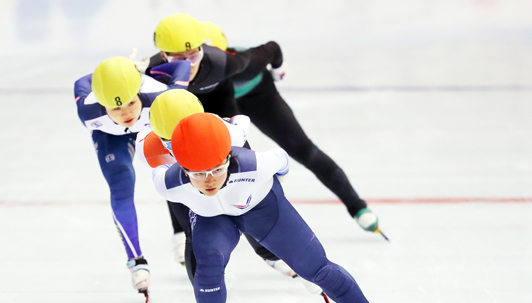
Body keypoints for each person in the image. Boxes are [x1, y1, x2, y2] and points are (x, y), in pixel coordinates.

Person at [151, 113, 433, 303]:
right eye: (198, 174)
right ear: (183, 169)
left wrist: (273, 189)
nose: (209, 180)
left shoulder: (255, 164)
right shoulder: (167, 183)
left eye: (216, 170)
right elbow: (153, 156)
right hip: (213, 220)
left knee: (316, 269)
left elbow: (282, 161)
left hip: (263, 210)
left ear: (228, 158)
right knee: (208, 269)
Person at [146, 14, 384, 238]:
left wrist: (279, 70)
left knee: (301, 148)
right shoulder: (167, 70)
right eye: (179, 58)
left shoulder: (235, 63)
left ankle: (357, 206)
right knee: (190, 158)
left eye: (195, 57)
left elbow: (273, 49)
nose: (189, 66)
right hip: (216, 102)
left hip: (258, 94)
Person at [135, 89, 323, 303]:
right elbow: (169, 184)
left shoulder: (228, 133)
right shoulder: (147, 146)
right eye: (169, 143)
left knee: (249, 209)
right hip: (190, 183)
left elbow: (245, 132)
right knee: (194, 235)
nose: (180, 148)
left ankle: (272, 253)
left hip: (225, 170)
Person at [73, 56, 190, 303]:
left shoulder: (161, 97)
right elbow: (81, 81)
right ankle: (136, 261)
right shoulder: (89, 111)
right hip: (110, 135)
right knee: (121, 183)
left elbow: (182, 66)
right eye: (116, 108)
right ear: (103, 105)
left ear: (138, 93)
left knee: (178, 172)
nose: (126, 113)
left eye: (130, 103)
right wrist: (110, 75)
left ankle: (188, 235)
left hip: (154, 122)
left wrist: (145, 70)